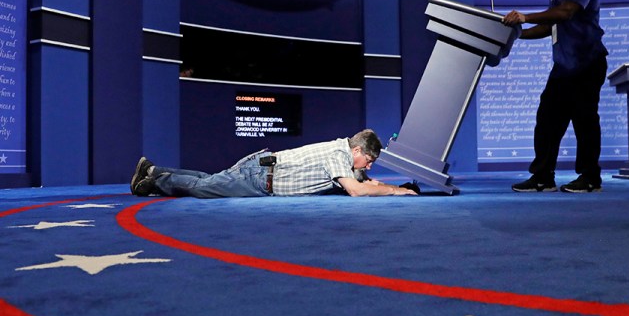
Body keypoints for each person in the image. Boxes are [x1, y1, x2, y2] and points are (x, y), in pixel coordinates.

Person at [502, 0, 608, 193]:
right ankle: (542, 177)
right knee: (547, 120)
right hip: (563, 67)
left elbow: (566, 13)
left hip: (588, 62)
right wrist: (517, 35)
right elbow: (550, 26)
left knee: (584, 120)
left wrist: (525, 16)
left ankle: (590, 177)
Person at [130, 129, 418, 198]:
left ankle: (153, 169)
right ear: (357, 149)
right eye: (368, 160)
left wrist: (379, 184)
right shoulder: (339, 155)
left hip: (261, 169)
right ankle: (153, 179)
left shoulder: (341, 152)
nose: (367, 166)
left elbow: (363, 181)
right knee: (203, 188)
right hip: (260, 177)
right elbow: (355, 190)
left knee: (207, 179)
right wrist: (395, 191)